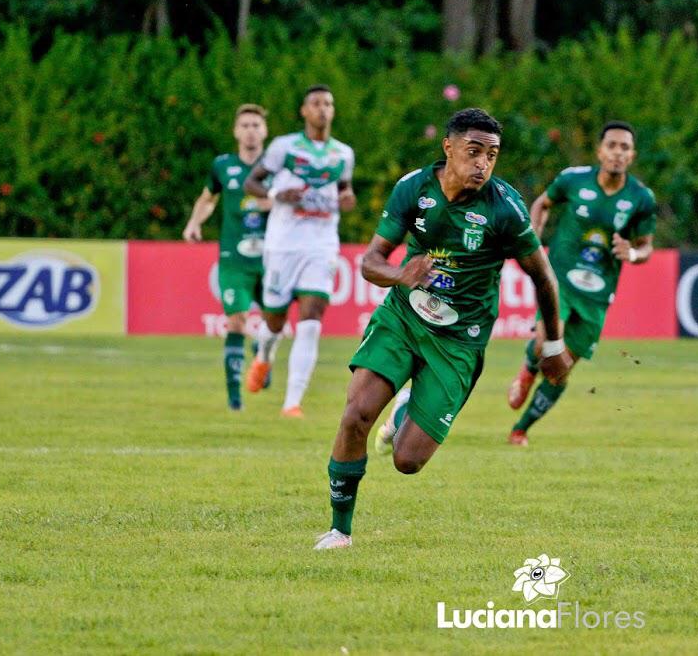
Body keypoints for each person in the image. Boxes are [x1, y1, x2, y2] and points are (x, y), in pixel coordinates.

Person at [314, 108, 572, 550]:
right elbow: (371, 262)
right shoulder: (414, 189)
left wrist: (553, 344)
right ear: (448, 148)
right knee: (355, 415)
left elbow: (543, 277)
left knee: (408, 461)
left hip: (459, 341)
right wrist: (402, 275)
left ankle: (406, 409)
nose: (482, 164)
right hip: (403, 318)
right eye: (473, 151)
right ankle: (340, 530)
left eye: (491, 155)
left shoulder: (504, 208)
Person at [504, 120, 657, 445]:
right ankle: (529, 369)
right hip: (559, 279)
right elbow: (542, 203)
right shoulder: (573, 180)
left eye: (625, 148)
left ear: (632, 156)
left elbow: (646, 247)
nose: (617, 152)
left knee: (560, 370)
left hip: (598, 295)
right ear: (600, 151)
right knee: (546, 342)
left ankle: (521, 429)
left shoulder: (641, 198)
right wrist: (532, 238)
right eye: (612, 145)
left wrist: (632, 253)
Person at [243, 85, 355, 418]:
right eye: (316, 104)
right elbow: (253, 182)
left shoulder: (343, 154)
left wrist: (348, 198)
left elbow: (345, 188)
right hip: (283, 244)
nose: (323, 109)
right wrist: (278, 192)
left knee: (311, 320)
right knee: (274, 320)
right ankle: (264, 355)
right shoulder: (284, 147)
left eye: (329, 104)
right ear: (304, 111)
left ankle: (292, 403)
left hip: (321, 245)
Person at [181, 103, 272, 410]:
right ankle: (235, 399)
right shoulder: (223, 166)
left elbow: (292, 202)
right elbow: (208, 198)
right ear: (236, 131)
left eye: (256, 125)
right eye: (245, 125)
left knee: (275, 320)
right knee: (237, 320)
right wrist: (195, 222)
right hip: (234, 256)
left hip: (272, 257)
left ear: (265, 131)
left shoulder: (277, 166)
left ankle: (263, 352)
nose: (250, 130)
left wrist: (273, 204)